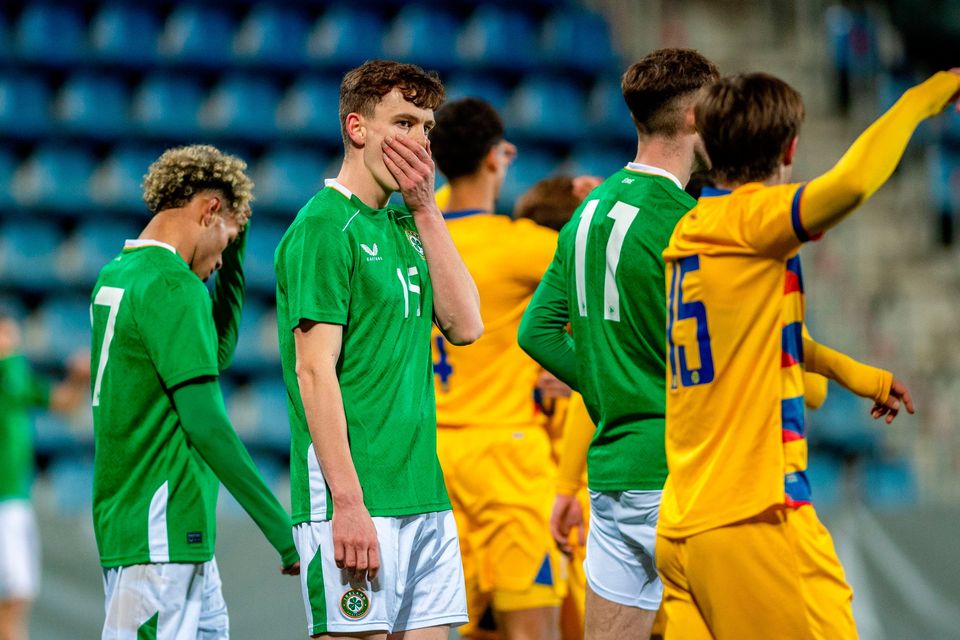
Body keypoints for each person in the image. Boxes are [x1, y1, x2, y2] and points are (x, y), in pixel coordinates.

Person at [656, 69, 958, 638]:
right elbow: (852, 185)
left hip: (687, 524)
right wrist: (925, 97)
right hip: (751, 518)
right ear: (790, 149)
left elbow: (758, 335)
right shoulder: (750, 221)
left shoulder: (694, 227)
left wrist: (852, 373)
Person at [274, 60, 482, 640]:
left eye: (427, 127)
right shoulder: (322, 227)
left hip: (423, 492)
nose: (420, 141)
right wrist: (348, 505)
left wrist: (426, 207)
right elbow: (314, 372)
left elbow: (466, 325)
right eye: (406, 123)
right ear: (358, 127)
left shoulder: (407, 226)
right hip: (356, 500)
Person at [518, 48, 720, 640]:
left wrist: (610, 382)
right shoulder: (688, 222)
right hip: (679, 472)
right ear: (691, 118)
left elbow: (536, 330)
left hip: (611, 476)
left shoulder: (588, 211)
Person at [90, 144, 299, 639]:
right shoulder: (172, 287)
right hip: (159, 528)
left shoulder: (119, 273)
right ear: (209, 210)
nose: (221, 259)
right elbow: (206, 423)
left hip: (157, 527)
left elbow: (215, 355)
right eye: (225, 239)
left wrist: (238, 246)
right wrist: (281, 532)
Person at [428, 97, 564, 640]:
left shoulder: (412, 239)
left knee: (439, 626)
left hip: (434, 459)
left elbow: (439, 199)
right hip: (506, 456)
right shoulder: (523, 247)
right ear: (494, 157)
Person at [0, 311, 88, 640]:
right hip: (3, 501)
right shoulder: (8, 370)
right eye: (5, 335)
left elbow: (63, 403)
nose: (11, 343)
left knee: (18, 594)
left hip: (14, 498)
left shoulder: (14, 373)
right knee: (14, 596)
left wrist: (79, 379)